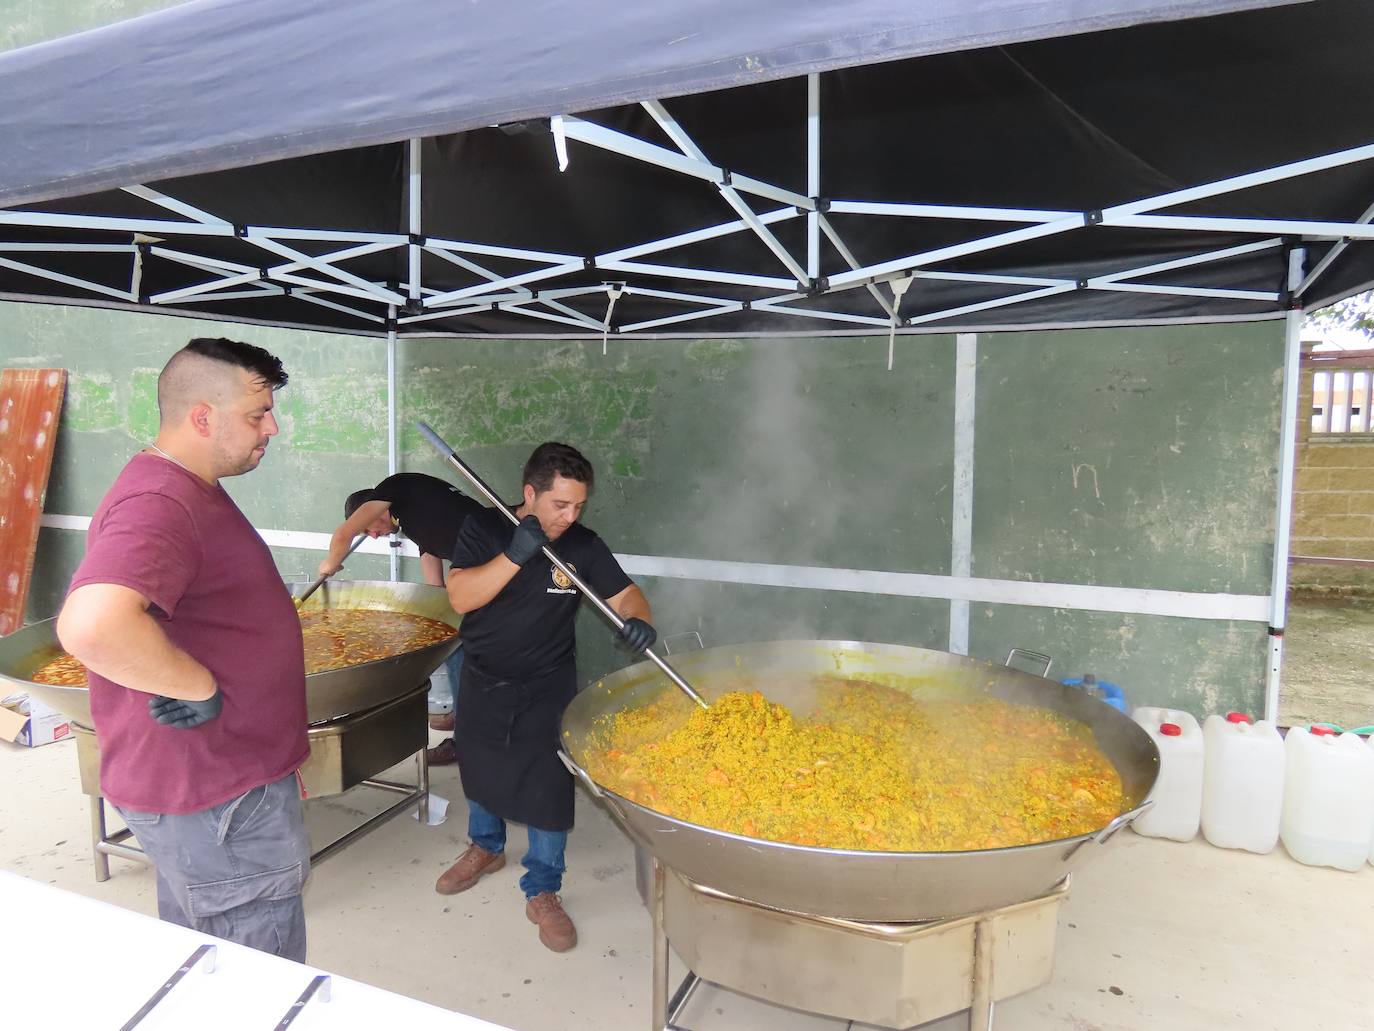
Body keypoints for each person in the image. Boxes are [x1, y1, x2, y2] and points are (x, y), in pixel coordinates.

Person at [56, 337, 311, 961]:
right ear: (203, 416)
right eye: (257, 415)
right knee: (257, 977)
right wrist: (195, 685)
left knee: (207, 961)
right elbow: (91, 625)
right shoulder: (161, 500)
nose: (272, 428)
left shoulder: (183, 484)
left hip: (217, 785)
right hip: (215, 795)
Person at [435, 442, 657, 952]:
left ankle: (543, 888)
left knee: (548, 787)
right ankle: (485, 847)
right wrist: (515, 554)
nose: (570, 516)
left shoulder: (581, 545)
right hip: (485, 676)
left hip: (548, 682)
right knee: (480, 766)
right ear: (530, 493)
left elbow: (625, 594)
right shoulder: (485, 529)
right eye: (560, 505)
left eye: (579, 505)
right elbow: (461, 597)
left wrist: (640, 618)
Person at [318, 472, 482, 764]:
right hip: (483, 569)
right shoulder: (416, 519)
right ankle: (466, 717)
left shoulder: (396, 487)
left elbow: (343, 534)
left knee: (463, 648)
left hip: (496, 565)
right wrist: (437, 617)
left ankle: (467, 740)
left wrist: (330, 564)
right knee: (454, 643)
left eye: (366, 528)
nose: (372, 534)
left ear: (370, 509)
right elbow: (435, 583)